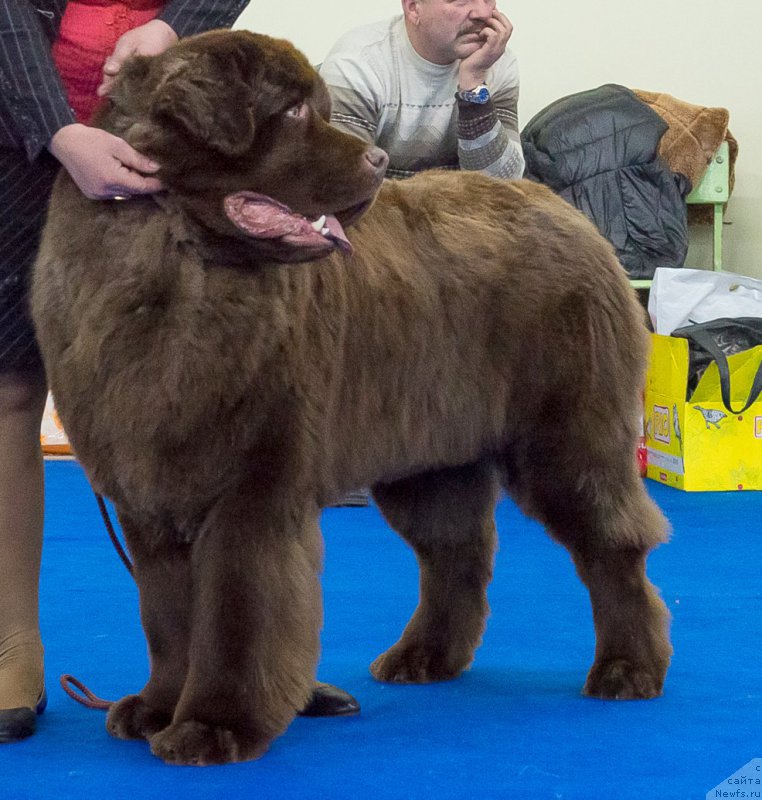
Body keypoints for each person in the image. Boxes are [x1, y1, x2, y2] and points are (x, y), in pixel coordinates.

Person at [0, 0, 355, 744]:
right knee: (8, 392)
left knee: (261, 396)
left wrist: (173, 26)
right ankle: (12, 653)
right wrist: (59, 129)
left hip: (184, 126)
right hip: (19, 129)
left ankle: (261, 663)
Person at [318, 0, 525, 180]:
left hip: (458, 217)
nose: (483, 13)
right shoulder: (356, 65)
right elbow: (347, 187)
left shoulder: (496, 62)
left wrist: (474, 84)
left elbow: (503, 188)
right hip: (381, 218)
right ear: (413, 8)